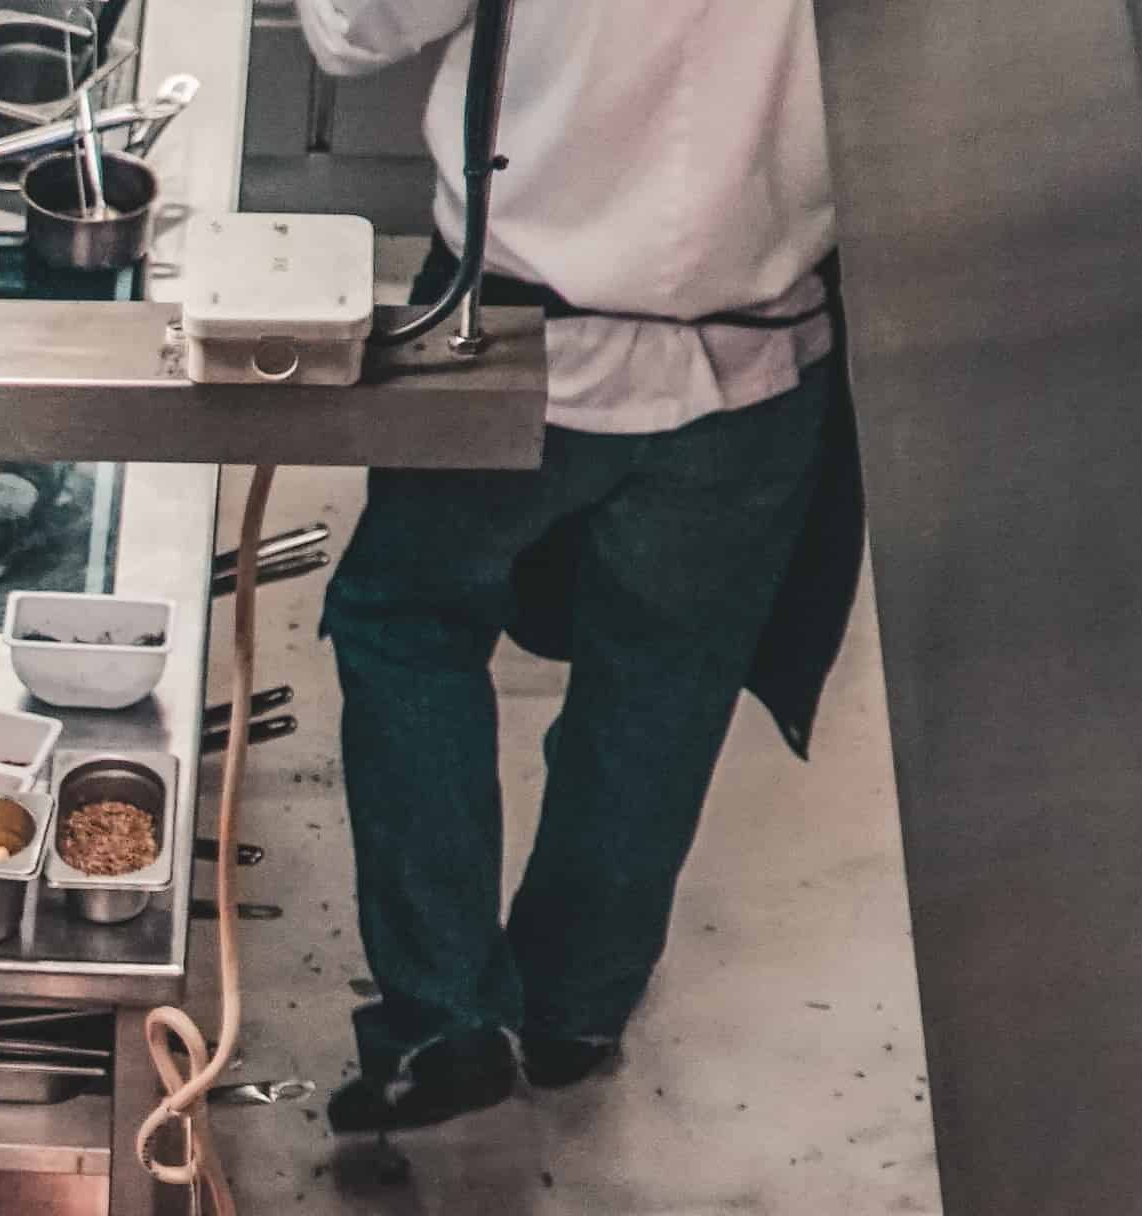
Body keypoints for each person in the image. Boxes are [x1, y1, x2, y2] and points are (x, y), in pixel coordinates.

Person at [306, 0, 847, 1133]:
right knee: (662, 681)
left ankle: (444, 1011)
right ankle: (573, 1010)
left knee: (406, 622)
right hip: (757, 355)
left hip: (509, 342)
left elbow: (354, 30)